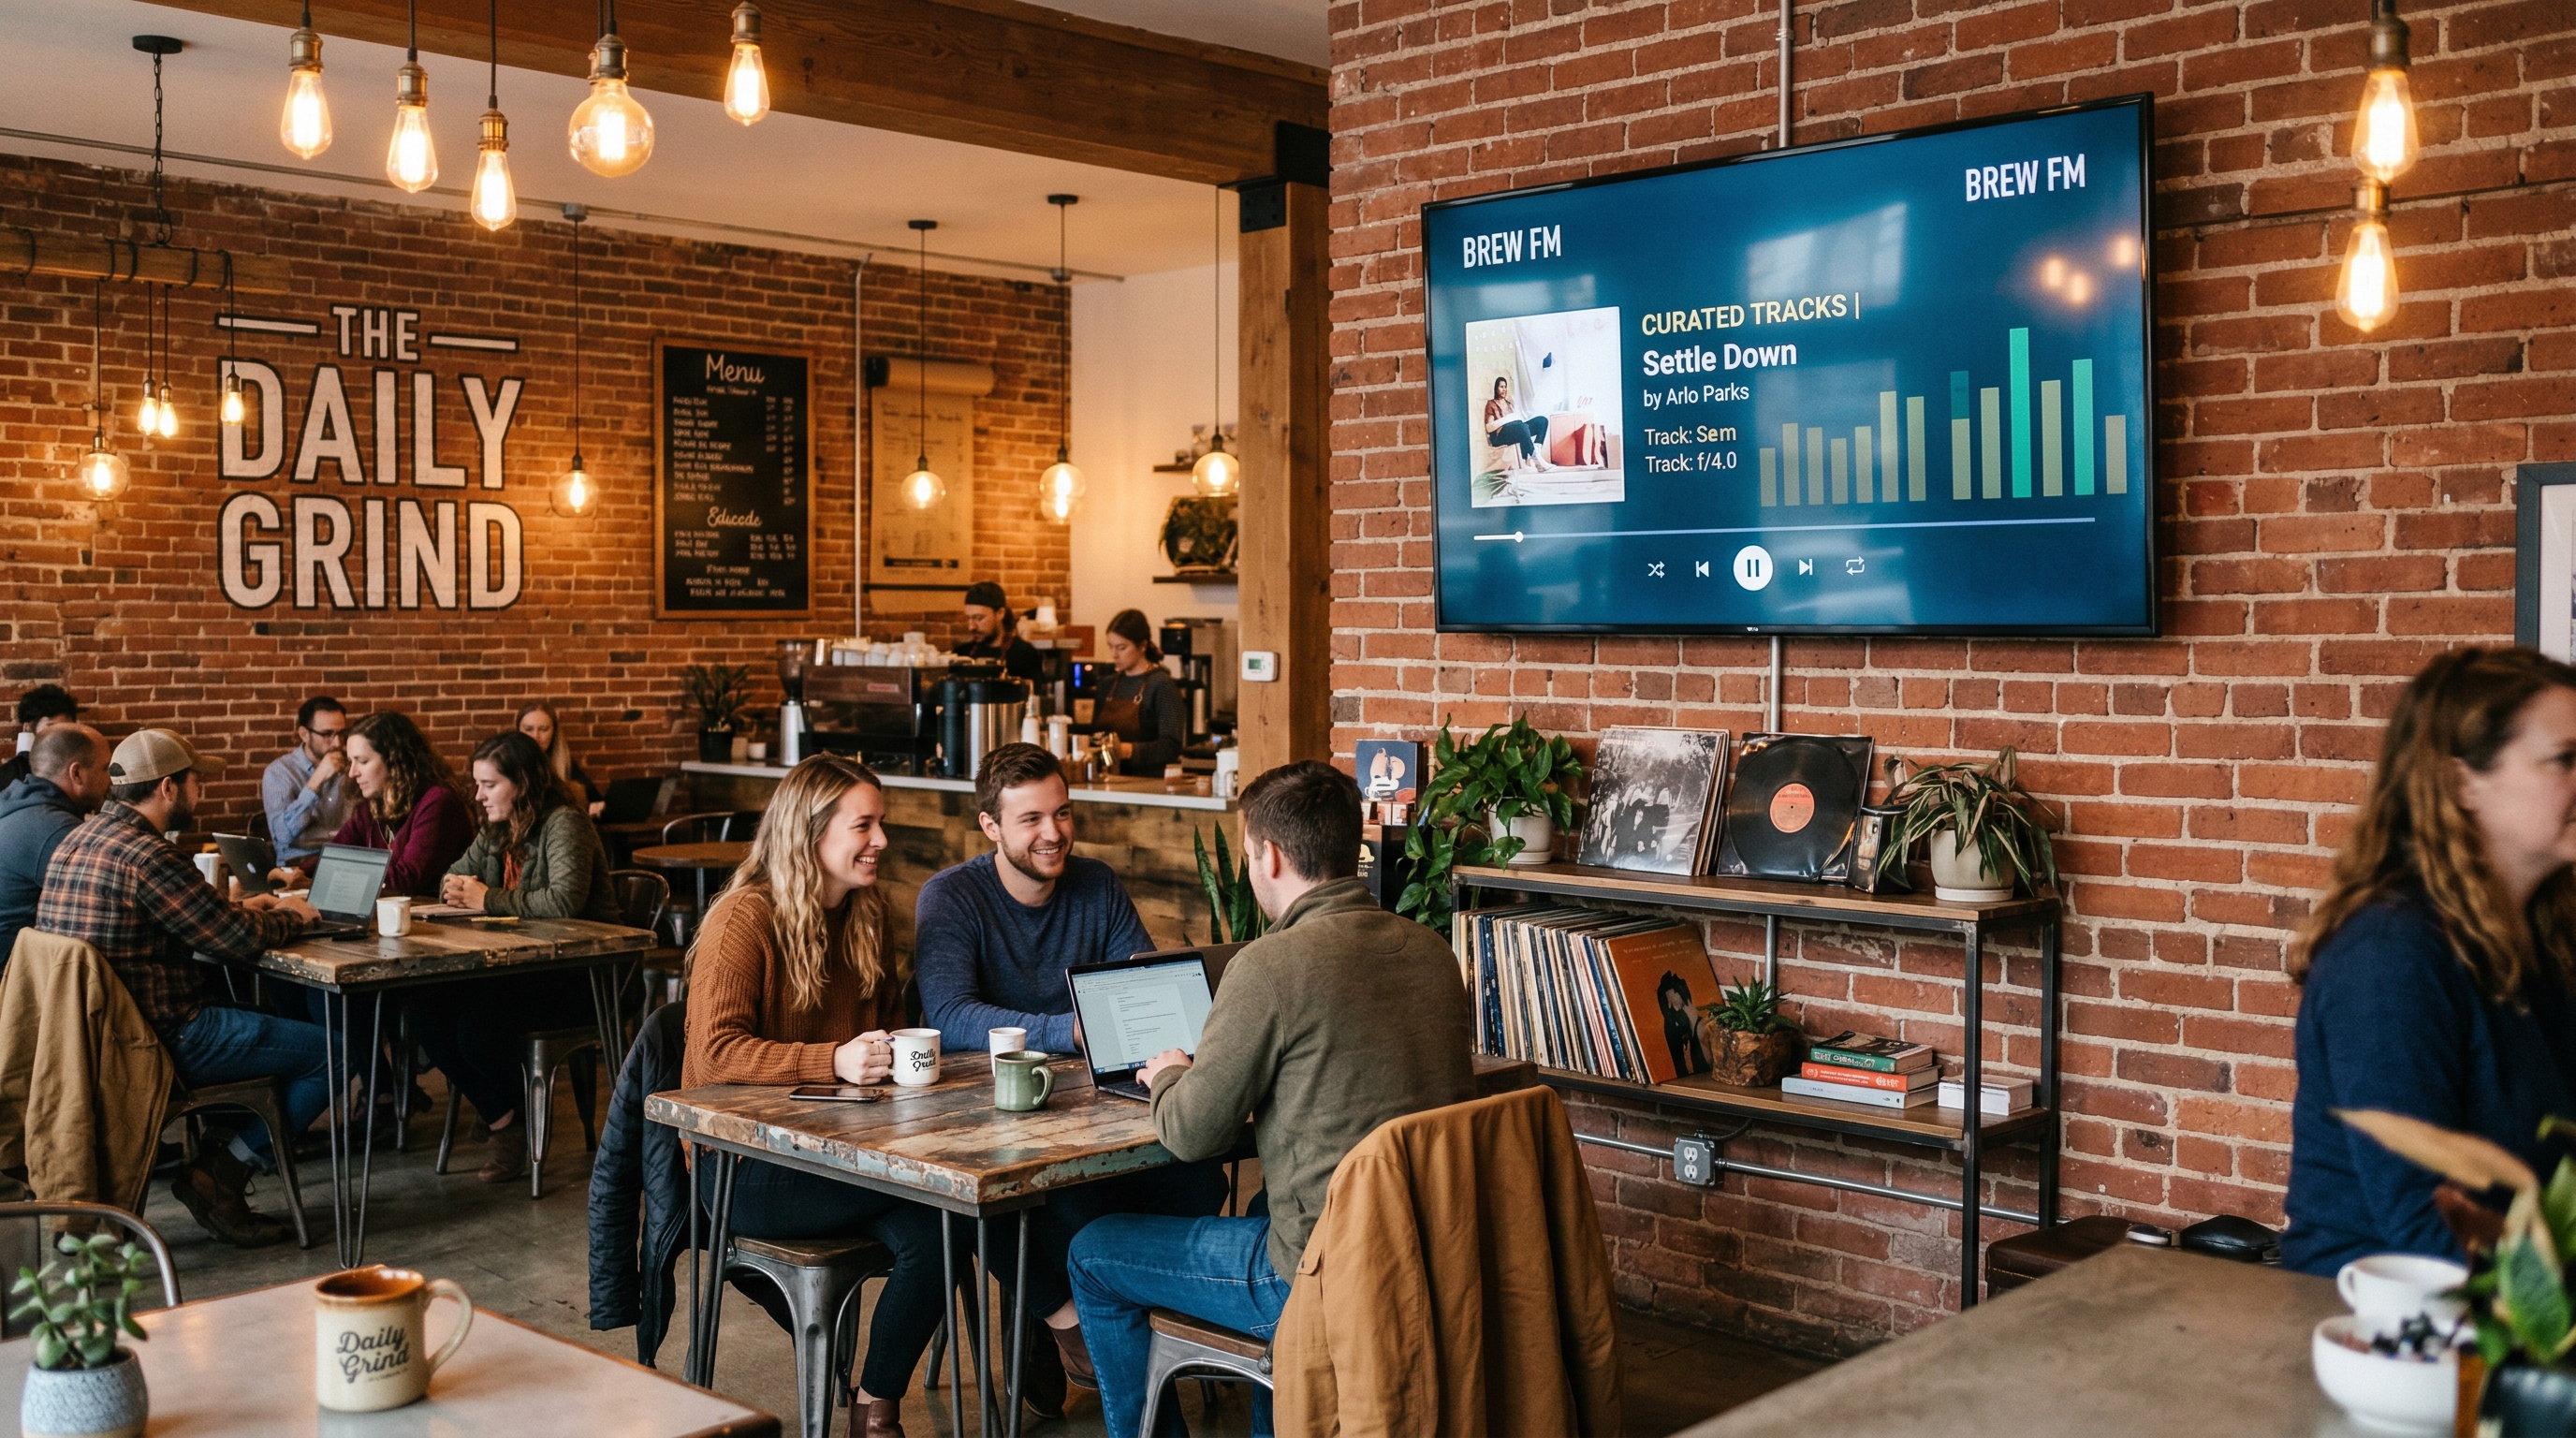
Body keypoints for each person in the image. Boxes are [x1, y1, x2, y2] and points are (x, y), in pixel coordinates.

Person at [1066, 760, 1477, 1438]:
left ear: (1271, 856)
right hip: (1428, 1252)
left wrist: (1170, 1071)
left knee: (1091, 1251)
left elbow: (1192, 1133)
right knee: (1261, 1202)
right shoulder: (1432, 951)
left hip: (1321, 1277)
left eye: (1249, 852)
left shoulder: (1269, 966)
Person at [914, 742, 1225, 1412]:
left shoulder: (1097, 883)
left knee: (1198, 1170)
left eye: (1062, 813)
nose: (1053, 833)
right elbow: (949, 1013)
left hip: (1092, 1100)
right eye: (1030, 820)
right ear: (990, 826)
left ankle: (1123, 1312)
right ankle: (1067, 1319)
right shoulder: (952, 897)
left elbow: (1133, 973)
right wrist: (1070, 1030)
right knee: (1049, 1195)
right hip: (990, 1112)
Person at [683, 755, 966, 1438]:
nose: (882, 841)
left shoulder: (868, 916)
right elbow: (714, 1056)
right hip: (745, 1166)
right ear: (809, 833)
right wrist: (832, 1058)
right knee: (947, 1196)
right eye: (864, 825)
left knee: (946, 1225)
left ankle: (875, 1406)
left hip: (844, 1152)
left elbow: (889, 1030)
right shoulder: (742, 922)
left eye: (882, 824)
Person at [2283, 647, 2576, 1275]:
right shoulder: (2390, 957)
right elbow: (2428, 1225)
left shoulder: (2548, 934)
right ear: (2461, 783)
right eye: (2565, 760)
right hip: (2392, 1329)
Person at [34, 728, 324, 1247]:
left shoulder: (78, 840)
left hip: (91, 1043)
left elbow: (197, 921)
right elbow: (235, 941)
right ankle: (220, 1175)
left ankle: (217, 1163)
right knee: (336, 1052)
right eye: (196, 783)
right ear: (167, 788)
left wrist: (240, 909)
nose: (200, 794)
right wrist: (293, 915)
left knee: (265, 1027)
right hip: (160, 1038)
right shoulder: (148, 856)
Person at [418, 731, 618, 1182]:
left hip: (581, 976)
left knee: (475, 1028)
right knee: (426, 1012)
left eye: (489, 784)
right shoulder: (496, 829)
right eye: (477, 784)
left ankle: (505, 1121)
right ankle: (503, 1114)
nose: (478, 795)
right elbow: (454, 876)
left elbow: (564, 900)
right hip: (523, 968)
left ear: (522, 783)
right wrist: (455, 887)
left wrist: (487, 899)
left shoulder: (564, 822)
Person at [329, 710, 475, 898]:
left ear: (395, 761)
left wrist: (336, 874)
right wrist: (295, 872)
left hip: (434, 917)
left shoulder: (438, 802)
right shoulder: (371, 805)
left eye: (362, 761)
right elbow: (335, 855)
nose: (352, 772)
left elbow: (407, 880)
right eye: (351, 762)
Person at [0, 725, 111, 964]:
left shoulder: (16, 804)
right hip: (13, 985)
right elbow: (107, 908)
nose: (110, 779)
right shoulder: (58, 832)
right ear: (77, 774)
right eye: (105, 768)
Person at [263, 696, 355, 870]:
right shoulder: (278, 772)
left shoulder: (353, 768)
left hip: (343, 864)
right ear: (304, 734)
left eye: (341, 734)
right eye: (327, 734)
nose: (337, 743)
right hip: (297, 868)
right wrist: (316, 780)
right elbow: (282, 836)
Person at [1098, 609, 1186, 777]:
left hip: (1149, 784)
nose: (1114, 654)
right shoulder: (1107, 685)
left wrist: (1126, 750)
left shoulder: (1162, 686)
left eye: (1121, 648)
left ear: (1143, 646)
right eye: (1111, 647)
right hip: (1110, 781)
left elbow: (1171, 747)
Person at [518, 701, 603, 816]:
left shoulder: (562, 759)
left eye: (543, 729)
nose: (535, 736)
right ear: (518, 731)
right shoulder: (507, 759)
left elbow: (593, 795)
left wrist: (598, 805)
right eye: (528, 729)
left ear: (554, 732)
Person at [957, 580, 1045, 686]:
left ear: (1000, 613)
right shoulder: (961, 654)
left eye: (979, 618)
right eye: (968, 618)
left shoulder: (1024, 654)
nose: (971, 627)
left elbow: (1033, 698)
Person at [0, 685, 81, 790]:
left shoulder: (77, 767)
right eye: (50, 726)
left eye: (66, 728)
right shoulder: (13, 772)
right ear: (28, 728)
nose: (59, 734)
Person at [1484, 375, 1553, 470]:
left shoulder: (1509, 404)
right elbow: (1489, 427)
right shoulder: (1491, 404)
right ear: (1496, 388)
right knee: (1521, 426)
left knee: (1542, 421)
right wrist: (1508, 419)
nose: (1504, 389)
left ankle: (1535, 452)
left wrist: (1514, 419)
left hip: (1515, 431)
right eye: (1501, 387)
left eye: (1505, 387)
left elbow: (1516, 421)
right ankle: (1536, 459)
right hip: (1500, 436)